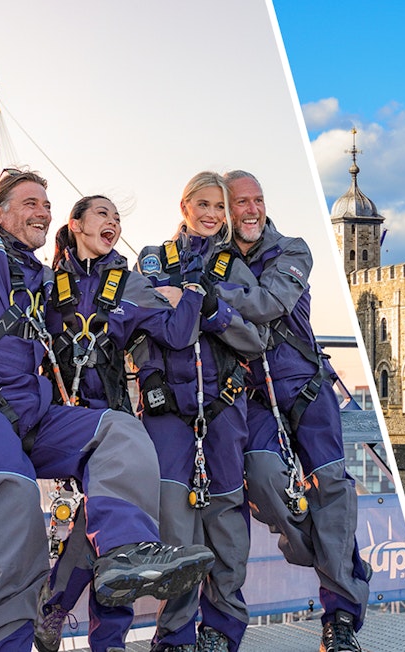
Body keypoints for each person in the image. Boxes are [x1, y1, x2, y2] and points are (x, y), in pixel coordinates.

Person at [0, 38, 212, 651]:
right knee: (14, 501)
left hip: (31, 414)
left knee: (119, 433)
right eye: (30, 202)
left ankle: (127, 553)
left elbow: (145, 320)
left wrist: (178, 295)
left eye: (47, 206)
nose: (41, 211)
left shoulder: (42, 280)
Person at [34, 195, 209, 652]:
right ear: (75, 224)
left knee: (108, 526)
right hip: (59, 418)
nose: (113, 221)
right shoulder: (45, 282)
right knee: (111, 526)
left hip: (110, 419)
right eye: (102, 214)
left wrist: (191, 291)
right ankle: (65, 614)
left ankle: (74, 620)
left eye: (117, 217)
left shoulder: (130, 284)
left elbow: (177, 334)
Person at [215, 170, 371, 652]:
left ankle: (340, 618)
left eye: (258, 200)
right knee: (263, 482)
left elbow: (270, 303)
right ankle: (337, 558)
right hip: (254, 396)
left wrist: (208, 295)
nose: (252, 210)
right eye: (241, 202)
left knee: (332, 491)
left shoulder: (293, 250)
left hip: (305, 386)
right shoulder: (211, 257)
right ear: (224, 210)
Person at [135, 171, 265, 652]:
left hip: (223, 404)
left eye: (219, 207)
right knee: (174, 518)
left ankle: (222, 628)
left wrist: (212, 311)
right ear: (184, 205)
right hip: (167, 407)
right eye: (204, 204)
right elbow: (135, 326)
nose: (212, 215)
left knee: (226, 517)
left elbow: (256, 339)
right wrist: (149, 376)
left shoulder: (235, 268)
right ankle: (175, 632)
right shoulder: (152, 260)